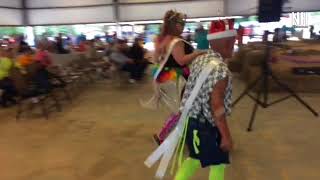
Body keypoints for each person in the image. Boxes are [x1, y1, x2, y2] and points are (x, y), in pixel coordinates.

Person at [174, 19, 235, 180]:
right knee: (218, 164)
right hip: (207, 125)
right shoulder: (221, 70)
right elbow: (217, 106)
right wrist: (226, 135)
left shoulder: (200, 59)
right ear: (226, 43)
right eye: (233, 42)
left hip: (191, 121)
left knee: (194, 159)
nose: (234, 46)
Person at [143, 10, 205, 110]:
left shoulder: (161, 38)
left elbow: (155, 59)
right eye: (182, 23)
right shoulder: (176, 41)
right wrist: (196, 53)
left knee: (179, 110)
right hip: (179, 77)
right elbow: (181, 60)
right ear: (175, 25)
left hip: (166, 75)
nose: (184, 26)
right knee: (186, 109)